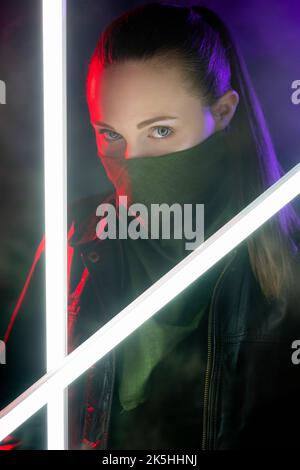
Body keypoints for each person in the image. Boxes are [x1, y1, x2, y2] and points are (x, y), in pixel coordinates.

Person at [1, 2, 300, 450]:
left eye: (159, 131)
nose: (132, 163)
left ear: (222, 112)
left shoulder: (288, 264)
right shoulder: (72, 238)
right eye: (111, 134)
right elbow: (17, 416)